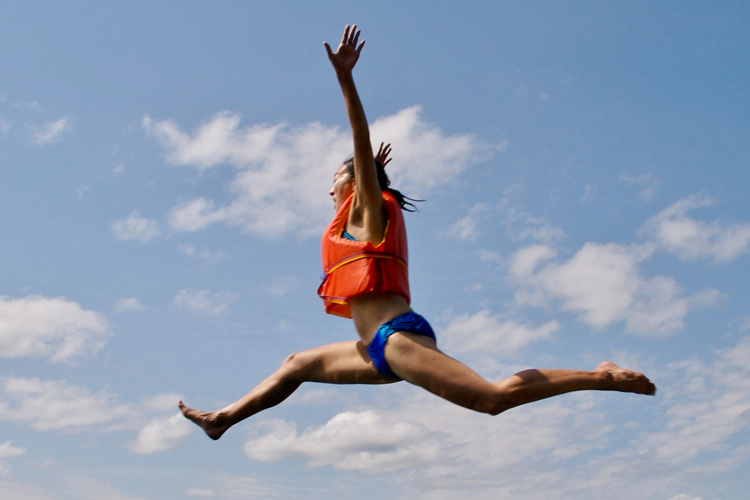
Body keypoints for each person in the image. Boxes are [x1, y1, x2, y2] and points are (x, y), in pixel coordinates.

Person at [179, 25, 655, 441]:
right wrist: (372, 171)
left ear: (353, 181)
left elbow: (359, 143)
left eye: (335, 178)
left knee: (493, 398)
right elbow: (362, 168)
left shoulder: (366, 204)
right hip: (372, 350)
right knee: (296, 364)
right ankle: (222, 419)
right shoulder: (360, 210)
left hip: (394, 339)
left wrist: (346, 80)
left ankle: (601, 375)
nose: (329, 186)